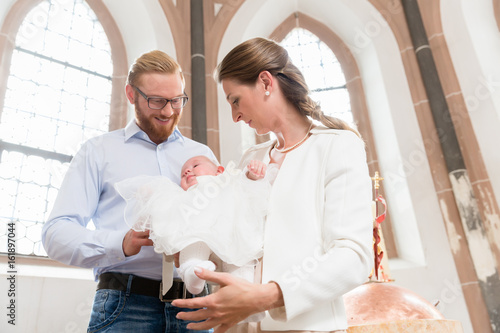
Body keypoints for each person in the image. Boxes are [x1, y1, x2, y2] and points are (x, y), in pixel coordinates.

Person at [172, 37, 374, 333]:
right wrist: (193, 242)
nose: (235, 115)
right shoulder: (250, 158)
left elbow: (353, 256)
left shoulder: (337, 146)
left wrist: (266, 297)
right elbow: (237, 239)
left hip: (309, 327)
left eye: (235, 100)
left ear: (266, 82)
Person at [41, 50, 216, 333]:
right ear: (131, 94)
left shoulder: (201, 155)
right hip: (125, 305)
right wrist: (120, 243)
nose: (169, 111)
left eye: (176, 100)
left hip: (195, 306)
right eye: (157, 101)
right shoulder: (98, 151)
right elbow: (56, 235)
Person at [115, 155, 272, 302]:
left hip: (234, 237)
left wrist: (252, 174)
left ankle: (246, 300)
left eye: (195, 165)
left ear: (219, 171)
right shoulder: (183, 196)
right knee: (190, 244)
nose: (188, 171)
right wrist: (151, 194)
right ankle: (193, 273)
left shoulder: (228, 181)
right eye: (183, 174)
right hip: (199, 235)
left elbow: (248, 189)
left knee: (241, 264)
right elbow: (164, 205)